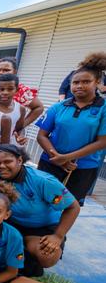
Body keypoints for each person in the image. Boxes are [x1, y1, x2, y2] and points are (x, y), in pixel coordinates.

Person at [0, 144, 81, 276]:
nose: (2, 166)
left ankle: (26, 254)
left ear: (20, 160)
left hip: (41, 228)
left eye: (8, 161)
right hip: (8, 223)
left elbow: (73, 207)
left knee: (47, 256)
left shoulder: (43, 181)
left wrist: (57, 236)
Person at [36, 52, 106, 205]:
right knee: (43, 200)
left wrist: (67, 158)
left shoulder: (103, 109)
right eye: (75, 82)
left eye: (86, 81)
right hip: (51, 163)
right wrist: (58, 158)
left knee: (66, 204)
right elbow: (42, 135)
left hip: (82, 168)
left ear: (98, 82)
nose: (79, 86)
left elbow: (102, 142)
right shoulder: (59, 107)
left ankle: (58, 230)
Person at [0, 57, 44, 126]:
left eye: (6, 70)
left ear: (15, 72)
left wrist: (20, 126)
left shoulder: (20, 90)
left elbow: (38, 107)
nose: (1, 72)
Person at [0, 74, 28, 145]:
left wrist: (21, 136)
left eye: (10, 89)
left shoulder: (20, 109)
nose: (5, 92)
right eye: (1, 89)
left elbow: (19, 128)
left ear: (17, 90)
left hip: (6, 149)